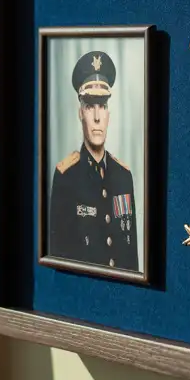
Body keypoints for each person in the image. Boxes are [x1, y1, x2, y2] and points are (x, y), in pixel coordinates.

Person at [48, 50, 138, 271]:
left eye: (103, 106)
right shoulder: (66, 177)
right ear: (81, 113)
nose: (97, 117)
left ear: (109, 113)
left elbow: (132, 259)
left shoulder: (124, 176)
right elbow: (60, 263)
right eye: (90, 107)